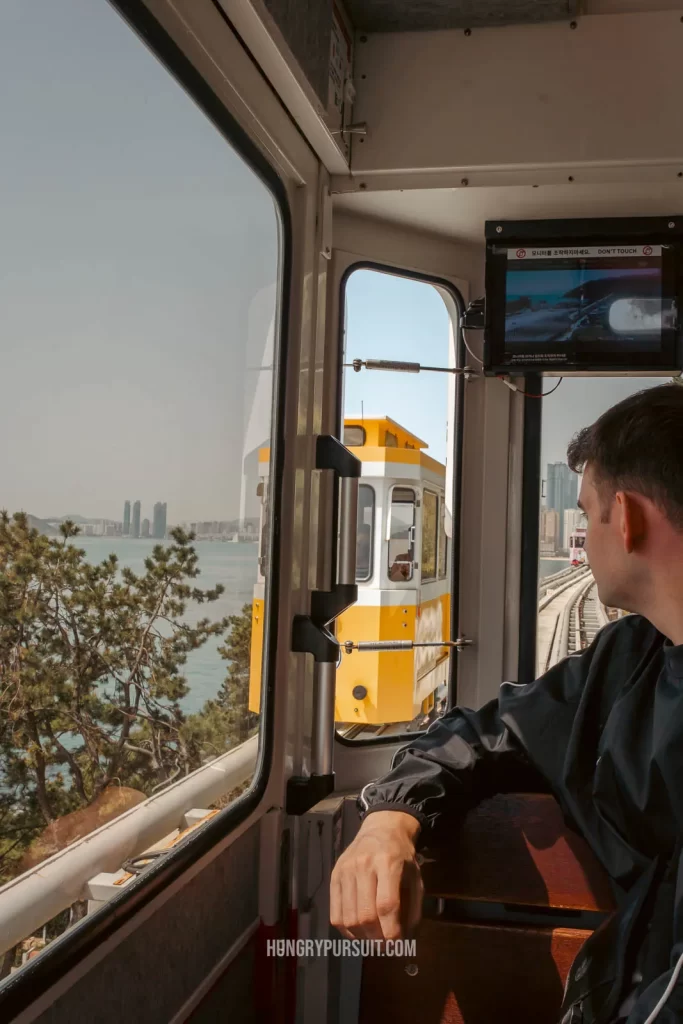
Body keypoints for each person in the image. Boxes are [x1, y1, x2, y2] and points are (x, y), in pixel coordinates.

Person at [330, 383, 683, 1024]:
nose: (582, 536)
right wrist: (390, 819)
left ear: (625, 519)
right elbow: (488, 732)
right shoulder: (634, 657)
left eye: (586, 514)